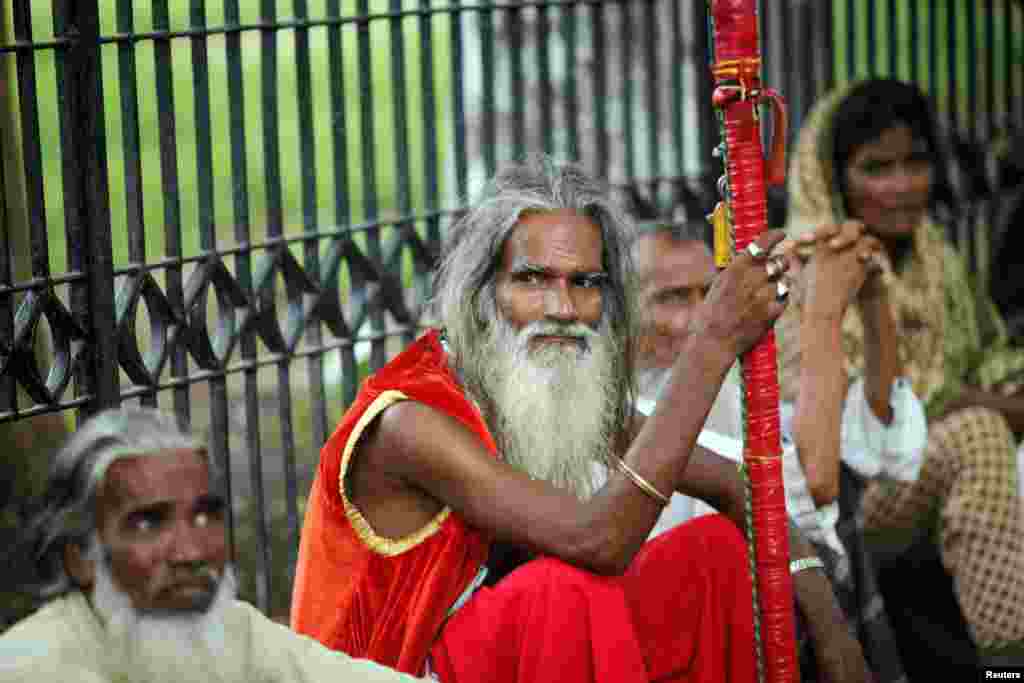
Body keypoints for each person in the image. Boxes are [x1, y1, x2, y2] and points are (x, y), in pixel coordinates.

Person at [291, 156, 870, 682]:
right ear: (480, 291)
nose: (562, 309)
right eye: (532, 279)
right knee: (562, 590)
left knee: (709, 555)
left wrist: (834, 630)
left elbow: (732, 484)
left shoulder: (539, 389)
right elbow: (599, 541)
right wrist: (713, 341)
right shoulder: (409, 421)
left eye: (585, 283)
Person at [778, 78, 1024, 667]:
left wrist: (990, 397)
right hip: (843, 498)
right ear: (835, 178)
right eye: (876, 167)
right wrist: (976, 407)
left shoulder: (936, 256)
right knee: (978, 436)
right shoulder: (805, 264)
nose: (901, 187)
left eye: (916, 163)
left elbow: (991, 361)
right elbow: (858, 428)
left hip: (920, 470)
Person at [629, 209, 910, 683]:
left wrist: (870, 297)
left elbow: (878, 448)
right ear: (623, 311)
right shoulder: (629, 407)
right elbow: (810, 487)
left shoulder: (729, 381)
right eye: (673, 298)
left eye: (710, 293)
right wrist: (822, 311)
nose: (701, 316)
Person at [0, 407, 423, 683]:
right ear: (80, 558)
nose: (191, 552)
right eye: (149, 523)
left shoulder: (227, 629)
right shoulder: (34, 666)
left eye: (204, 516)